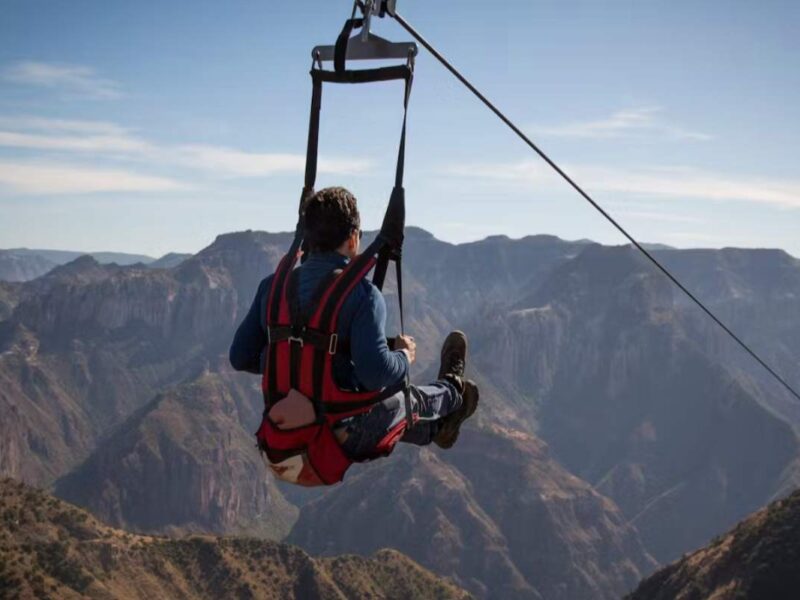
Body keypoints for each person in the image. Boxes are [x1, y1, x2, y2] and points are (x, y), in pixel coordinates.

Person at [229, 186, 479, 461]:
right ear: (352, 239)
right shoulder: (363, 295)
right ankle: (455, 392)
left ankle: (438, 428)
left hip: (284, 430)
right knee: (405, 401)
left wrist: (284, 360)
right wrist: (404, 356)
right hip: (342, 434)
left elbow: (240, 357)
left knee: (384, 408)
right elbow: (376, 373)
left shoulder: (272, 289)